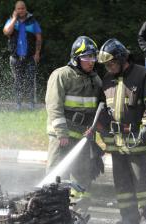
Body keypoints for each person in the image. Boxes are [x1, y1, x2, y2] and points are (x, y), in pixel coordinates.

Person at [97, 38, 146, 224]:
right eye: (106, 65)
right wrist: (103, 131)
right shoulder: (107, 80)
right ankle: (129, 218)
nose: (109, 67)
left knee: (143, 181)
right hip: (115, 142)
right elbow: (102, 109)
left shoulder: (143, 76)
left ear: (122, 58)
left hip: (137, 139)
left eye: (111, 63)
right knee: (122, 184)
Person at [45, 36, 103, 195]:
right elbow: (53, 106)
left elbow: (96, 110)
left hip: (82, 137)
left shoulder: (96, 80)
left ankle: (79, 214)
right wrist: (62, 133)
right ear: (76, 59)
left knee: (83, 179)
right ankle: (53, 213)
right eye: (87, 57)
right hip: (61, 137)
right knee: (56, 177)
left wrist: (93, 134)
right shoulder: (62, 75)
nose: (91, 61)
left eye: (93, 56)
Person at [3, 1, 42, 110]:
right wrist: (14, 19)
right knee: (17, 81)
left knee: (30, 81)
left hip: (30, 57)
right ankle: (18, 105)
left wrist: (37, 53)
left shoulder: (32, 21)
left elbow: (39, 38)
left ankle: (31, 105)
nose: (21, 10)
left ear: (26, 9)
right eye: (18, 9)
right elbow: (6, 32)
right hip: (15, 57)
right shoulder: (11, 21)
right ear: (15, 10)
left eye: (22, 8)